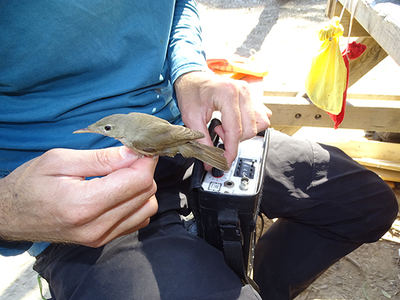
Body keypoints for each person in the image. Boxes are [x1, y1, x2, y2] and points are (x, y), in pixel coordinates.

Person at [0, 1, 397, 299]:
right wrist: (7, 212)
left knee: (366, 205)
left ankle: (252, 285)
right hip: (75, 202)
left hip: (188, 130)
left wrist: (190, 72)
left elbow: (177, 9)